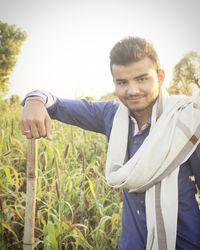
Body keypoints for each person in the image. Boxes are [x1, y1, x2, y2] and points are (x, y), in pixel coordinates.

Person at [20, 36, 200, 250]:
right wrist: (34, 100)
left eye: (142, 78)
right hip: (131, 244)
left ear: (160, 77)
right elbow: (57, 105)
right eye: (122, 82)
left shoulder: (186, 123)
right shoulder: (111, 116)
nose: (132, 90)